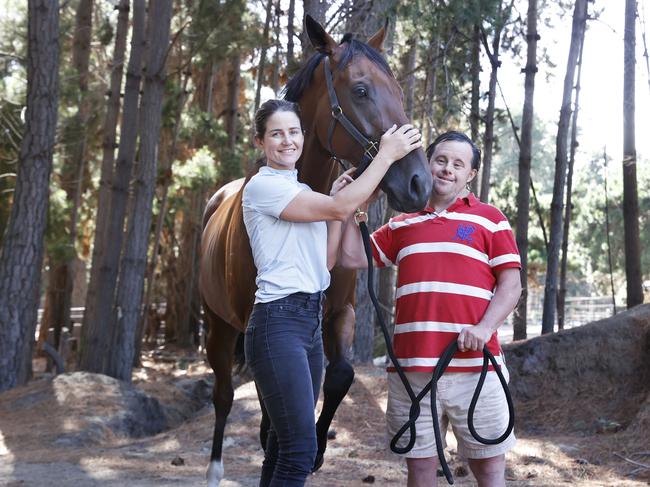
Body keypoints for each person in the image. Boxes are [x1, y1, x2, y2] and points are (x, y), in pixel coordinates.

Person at [242, 98, 422, 487]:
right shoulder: (264, 187)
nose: (287, 141)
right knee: (300, 450)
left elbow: (324, 262)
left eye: (293, 132)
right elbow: (340, 205)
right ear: (260, 142)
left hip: (307, 323)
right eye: (276, 134)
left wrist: (341, 209)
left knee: (282, 444)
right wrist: (386, 156)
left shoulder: (300, 190)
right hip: (278, 323)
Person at [336, 130, 522, 487]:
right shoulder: (402, 223)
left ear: (470, 174)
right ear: (428, 163)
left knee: (488, 468)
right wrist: (350, 206)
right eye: (440, 160)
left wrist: (484, 329)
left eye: (458, 164)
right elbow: (349, 255)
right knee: (420, 471)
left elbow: (511, 285)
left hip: (476, 369)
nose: (447, 169)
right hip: (412, 371)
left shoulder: (490, 219)